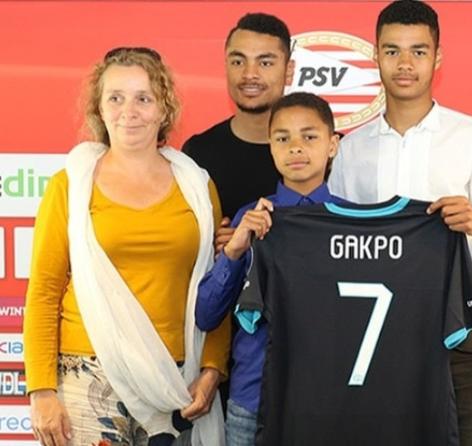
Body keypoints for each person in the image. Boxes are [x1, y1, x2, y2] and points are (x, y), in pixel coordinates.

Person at [328, 1, 472, 444]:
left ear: (438, 57)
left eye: (418, 51)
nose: (405, 64)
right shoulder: (352, 148)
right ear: (376, 56)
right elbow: (338, 245)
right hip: (377, 331)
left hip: (460, 329)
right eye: (392, 51)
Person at [24, 47, 230, 446]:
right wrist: (41, 391)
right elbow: (45, 291)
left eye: (143, 98)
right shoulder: (70, 186)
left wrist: (212, 368)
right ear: (99, 109)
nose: (128, 111)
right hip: (88, 375)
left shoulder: (197, 187)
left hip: (175, 380)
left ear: (164, 109)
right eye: (115, 98)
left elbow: (215, 286)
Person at [195, 92, 347, 446]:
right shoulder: (250, 220)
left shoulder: (353, 225)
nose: (296, 147)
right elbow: (205, 314)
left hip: (332, 401)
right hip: (254, 400)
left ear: (333, 145)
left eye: (309, 136)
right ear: (270, 147)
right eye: (282, 138)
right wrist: (234, 251)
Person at [182, 12, 294, 237]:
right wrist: (214, 247)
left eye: (265, 63)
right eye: (238, 62)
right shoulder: (198, 153)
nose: (249, 74)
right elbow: (190, 239)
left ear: (288, 70)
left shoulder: (322, 153)